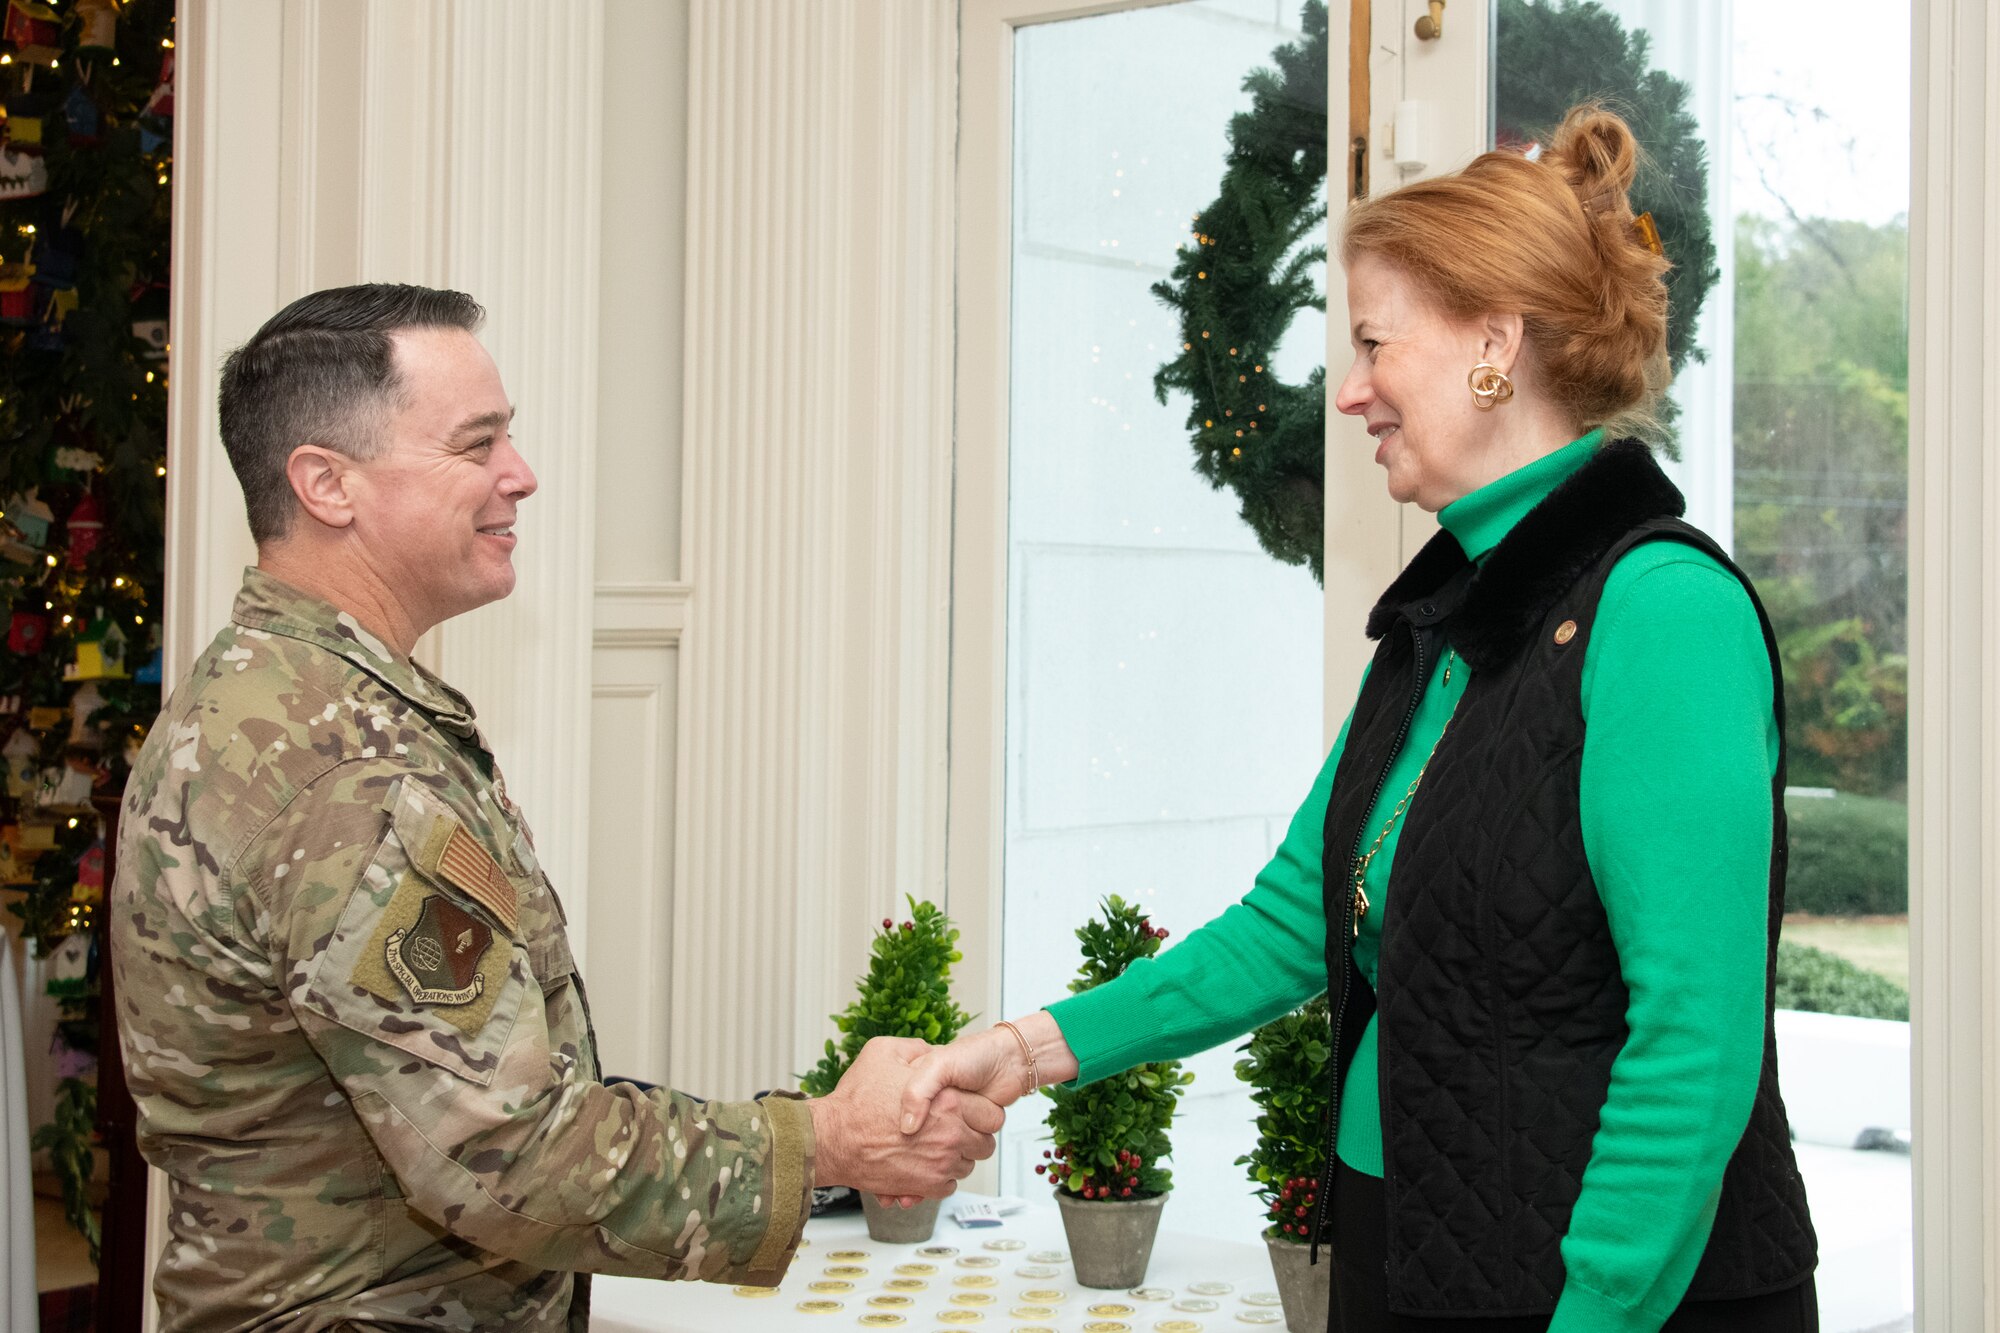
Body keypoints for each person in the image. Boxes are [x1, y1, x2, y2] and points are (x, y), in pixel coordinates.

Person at [903, 107, 1819, 1332]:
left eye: (1374, 343)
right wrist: (1018, 1052)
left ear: (1492, 346)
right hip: (1418, 1251)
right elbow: (1291, 921)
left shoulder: (1660, 611)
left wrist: (1595, 1312)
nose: (1349, 392)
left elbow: (1691, 1044)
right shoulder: (1445, 611)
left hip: (1605, 1295)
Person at [109, 284, 1001, 1331]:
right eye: (476, 443)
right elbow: (504, 1158)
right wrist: (826, 1142)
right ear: (326, 484)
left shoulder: (287, 704)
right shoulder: (340, 770)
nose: (519, 476)